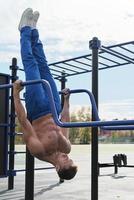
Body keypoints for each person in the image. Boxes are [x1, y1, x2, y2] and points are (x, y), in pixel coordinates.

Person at [13, 8, 77, 180]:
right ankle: (33, 30)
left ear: (58, 168)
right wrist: (66, 101)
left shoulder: (38, 150)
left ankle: (24, 30)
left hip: (38, 109)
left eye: (66, 162)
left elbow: (23, 121)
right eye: (70, 160)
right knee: (43, 64)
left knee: (31, 65)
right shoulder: (67, 148)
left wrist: (16, 93)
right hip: (54, 106)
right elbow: (65, 122)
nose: (67, 157)